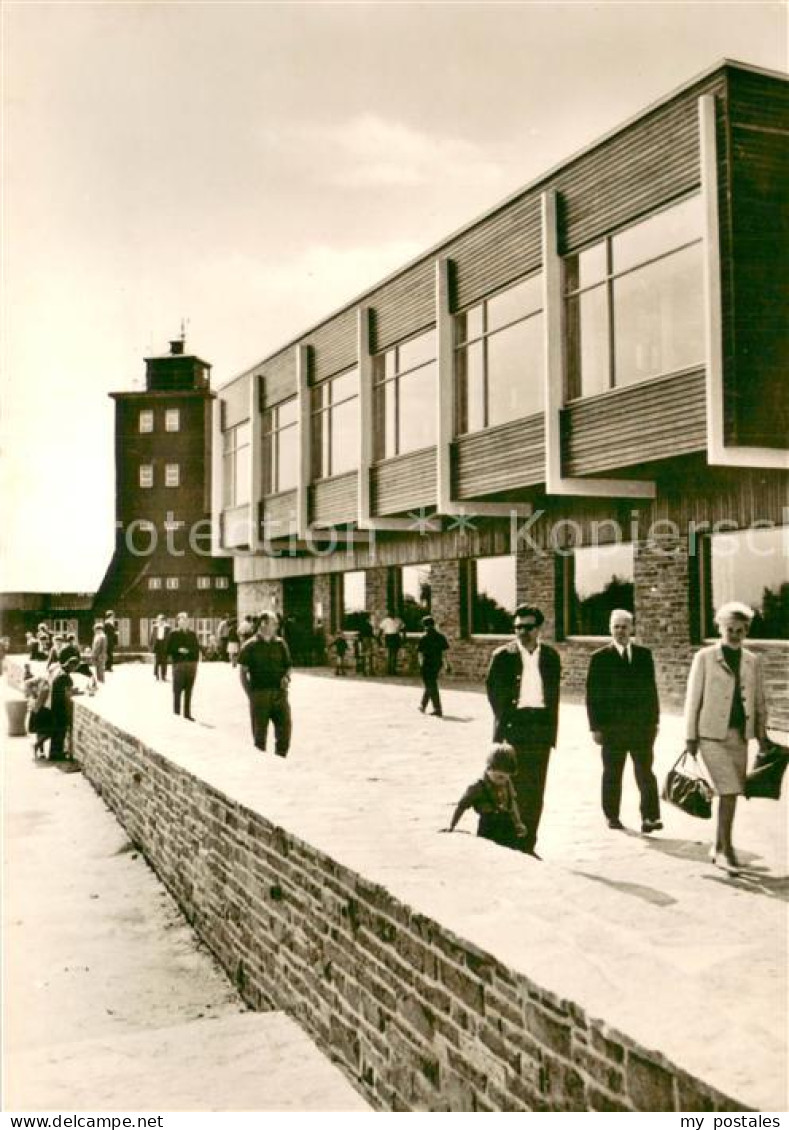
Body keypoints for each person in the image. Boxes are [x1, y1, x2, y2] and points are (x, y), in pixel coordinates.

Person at [685, 601, 770, 874]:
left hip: (739, 737)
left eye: (740, 630)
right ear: (720, 628)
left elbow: (758, 700)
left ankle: (719, 846)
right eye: (729, 629)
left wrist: (762, 734)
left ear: (746, 631)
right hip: (710, 735)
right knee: (730, 791)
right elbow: (692, 699)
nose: (734, 635)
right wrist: (690, 737)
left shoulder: (752, 661)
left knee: (731, 793)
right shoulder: (705, 657)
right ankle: (726, 849)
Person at [485, 605, 561, 858]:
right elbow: (493, 692)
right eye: (518, 627)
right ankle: (507, 844)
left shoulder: (550, 656)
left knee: (535, 790)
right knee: (508, 789)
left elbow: (553, 695)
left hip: (539, 727)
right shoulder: (502, 656)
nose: (522, 632)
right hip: (513, 727)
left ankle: (528, 844)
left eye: (528, 627)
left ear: (539, 629)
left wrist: (550, 730)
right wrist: (505, 722)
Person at [586, 609, 662, 833]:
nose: (620, 631)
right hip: (612, 729)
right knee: (612, 773)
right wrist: (595, 728)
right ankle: (612, 815)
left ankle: (650, 817)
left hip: (641, 727)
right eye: (616, 627)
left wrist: (654, 722)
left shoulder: (643, 655)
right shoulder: (599, 658)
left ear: (632, 629)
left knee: (645, 773)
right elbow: (592, 696)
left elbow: (651, 691)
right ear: (610, 629)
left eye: (624, 627)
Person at [442, 743, 528, 851]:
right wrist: (452, 825)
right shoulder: (477, 787)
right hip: (488, 826)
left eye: (505, 777)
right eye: (498, 777)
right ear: (489, 769)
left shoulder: (507, 783)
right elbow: (462, 806)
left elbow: (512, 804)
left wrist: (518, 823)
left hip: (507, 825)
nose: (501, 781)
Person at [237, 611, 292, 756]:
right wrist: (252, 695)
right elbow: (243, 673)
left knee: (285, 731)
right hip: (260, 694)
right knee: (259, 737)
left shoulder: (280, 644)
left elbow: (288, 666)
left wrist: (286, 677)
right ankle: (261, 770)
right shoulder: (250, 646)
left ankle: (280, 762)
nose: (277, 626)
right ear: (263, 624)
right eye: (274, 623)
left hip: (280, 694)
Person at [166, 612, 201, 720]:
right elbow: (168, 649)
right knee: (177, 690)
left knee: (189, 690)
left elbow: (196, 649)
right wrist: (178, 650)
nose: (184, 622)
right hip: (179, 664)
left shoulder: (192, 634)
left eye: (186, 620)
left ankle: (187, 713)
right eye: (181, 620)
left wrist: (189, 652)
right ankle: (176, 713)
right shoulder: (173, 634)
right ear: (178, 622)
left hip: (191, 665)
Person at [417, 616, 450, 717]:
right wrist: (446, 664)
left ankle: (437, 709)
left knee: (431, 686)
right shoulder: (440, 637)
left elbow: (420, 654)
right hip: (437, 663)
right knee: (430, 684)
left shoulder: (423, 638)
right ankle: (423, 705)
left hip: (427, 664)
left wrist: (421, 664)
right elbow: (444, 653)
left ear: (424, 625)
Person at [49, 655, 80, 760]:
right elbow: (67, 693)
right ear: (71, 665)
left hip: (54, 704)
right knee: (60, 730)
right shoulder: (65, 676)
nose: (75, 670)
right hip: (60, 706)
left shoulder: (59, 670)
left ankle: (54, 752)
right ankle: (57, 754)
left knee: (56, 730)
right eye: (75, 667)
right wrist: (77, 692)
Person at [379, 611, 405, 676]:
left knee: (394, 653)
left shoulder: (398, 620)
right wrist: (379, 639)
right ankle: (390, 669)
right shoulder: (385, 621)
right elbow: (381, 630)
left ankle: (392, 669)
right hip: (389, 636)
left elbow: (403, 628)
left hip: (395, 636)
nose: (391, 614)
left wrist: (404, 637)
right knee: (390, 653)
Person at [149, 614, 170, 681]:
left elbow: (169, 638)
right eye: (159, 620)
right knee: (157, 661)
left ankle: (163, 676)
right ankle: (156, 676)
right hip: (157, 645)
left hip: (164, 645)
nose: (160, 621)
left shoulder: (168, 628)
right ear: (157, 620)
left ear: (164, 621)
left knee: (164, 662)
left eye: (162, 620)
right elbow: (152, 637)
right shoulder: (155, 627)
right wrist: (151, 647)